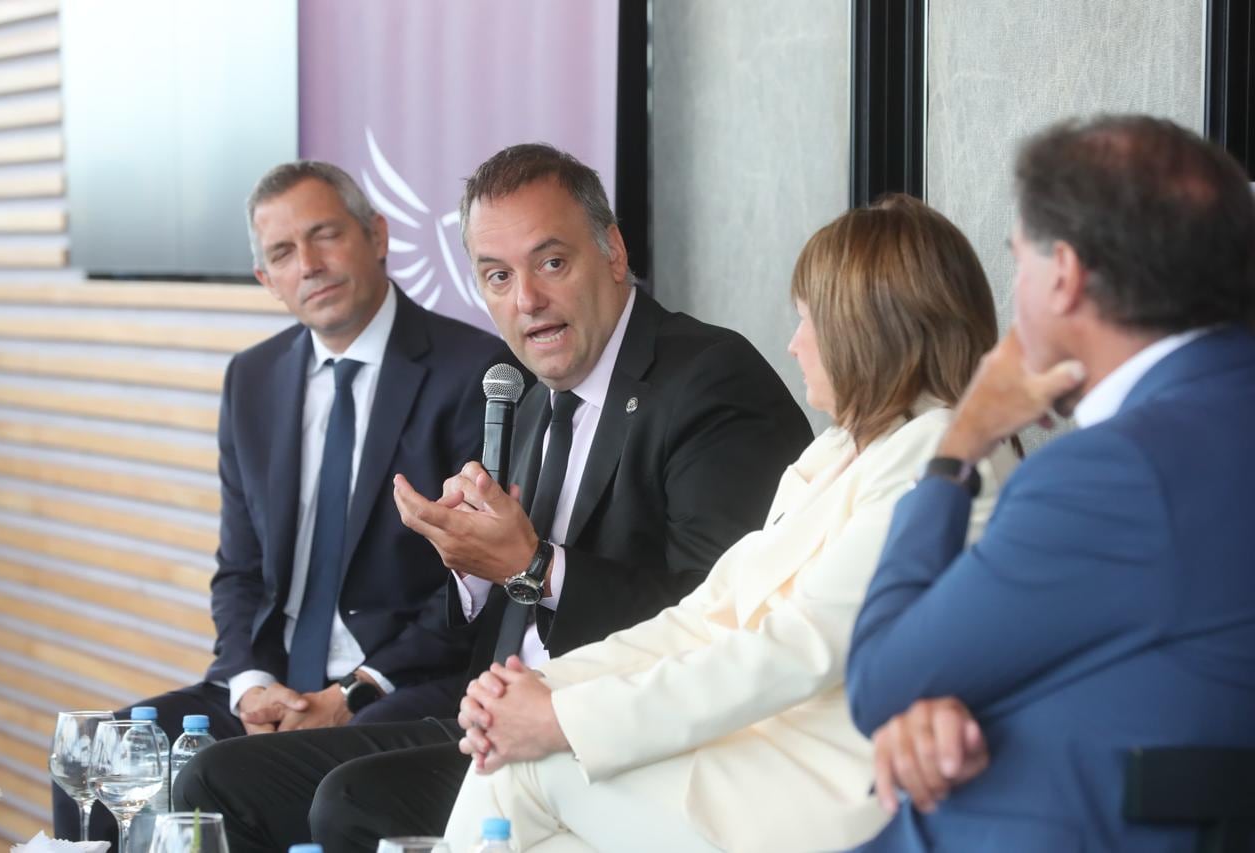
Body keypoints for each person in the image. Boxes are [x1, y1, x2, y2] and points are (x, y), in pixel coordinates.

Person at [177, 143, 812, 852]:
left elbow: (719, 622)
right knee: (213, 778)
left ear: (613, 254)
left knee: (351, 802)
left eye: (552, 263)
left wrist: (532, 564)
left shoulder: (707, 380)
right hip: (490, 718)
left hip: (601, 738)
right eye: (497, 275)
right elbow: (493, 611)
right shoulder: (531, 393)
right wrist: (468, 562)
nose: (526, 301)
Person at [440, 195, 1019, 853]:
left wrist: (561, 721)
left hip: (829, 789)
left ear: (870, 328)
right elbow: (704, 615)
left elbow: (800, 648)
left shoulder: (944, 453)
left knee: (523, 770)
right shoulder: (837, 452)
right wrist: (541, 688)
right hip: (757, 760)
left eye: (807, 320)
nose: (794, 343)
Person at [53, 160, 513, 841]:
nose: (310, 264)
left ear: (378, 236)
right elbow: (239, 572)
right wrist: (250, 685)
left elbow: (473, 591)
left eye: (325, 235)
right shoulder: (253, 378)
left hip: (400, 684)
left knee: (250, 777)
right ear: (267, 280)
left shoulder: (470, 371)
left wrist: (349, 692)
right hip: (275, 683)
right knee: (95, 760)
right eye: (282, 253)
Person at [847, 115, 1255, 852]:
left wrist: (957, 448)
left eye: (1019, 262)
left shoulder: (1118, 472)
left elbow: (879, 678)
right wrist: (938, 700)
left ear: (1063, 275)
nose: (1016, 293)